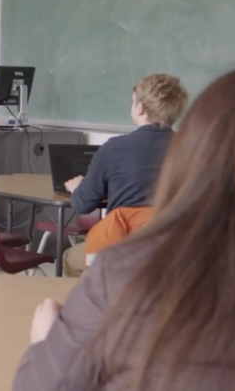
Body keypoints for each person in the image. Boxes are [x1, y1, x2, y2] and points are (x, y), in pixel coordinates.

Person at [16, 67, 235, 391]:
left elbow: (83, 205)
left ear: (200, 158)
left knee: (77, 258)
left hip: (118, 255)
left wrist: (48, 341)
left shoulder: (119, 272)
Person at [61, 73, 188, 277]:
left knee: (70, 258)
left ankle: (92, 306)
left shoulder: (114, 149)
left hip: (123, 249)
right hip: (178, 250)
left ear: (140, 108)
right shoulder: (193, 148)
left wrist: (78, 188)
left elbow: (83, 205)